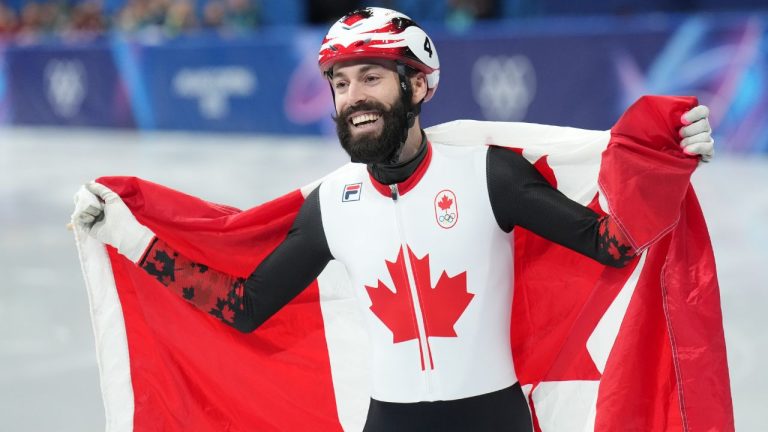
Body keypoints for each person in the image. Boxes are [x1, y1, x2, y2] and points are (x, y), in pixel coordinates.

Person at [72, 7, 715, 432]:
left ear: (419, 87)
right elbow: (243, 306)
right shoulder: (331, 205)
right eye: (341, 83)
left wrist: (666, 157)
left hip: (494, 419)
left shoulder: (487, 173)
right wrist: (132, 237)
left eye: (371, 77)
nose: (353, 97)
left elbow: (610, 244)